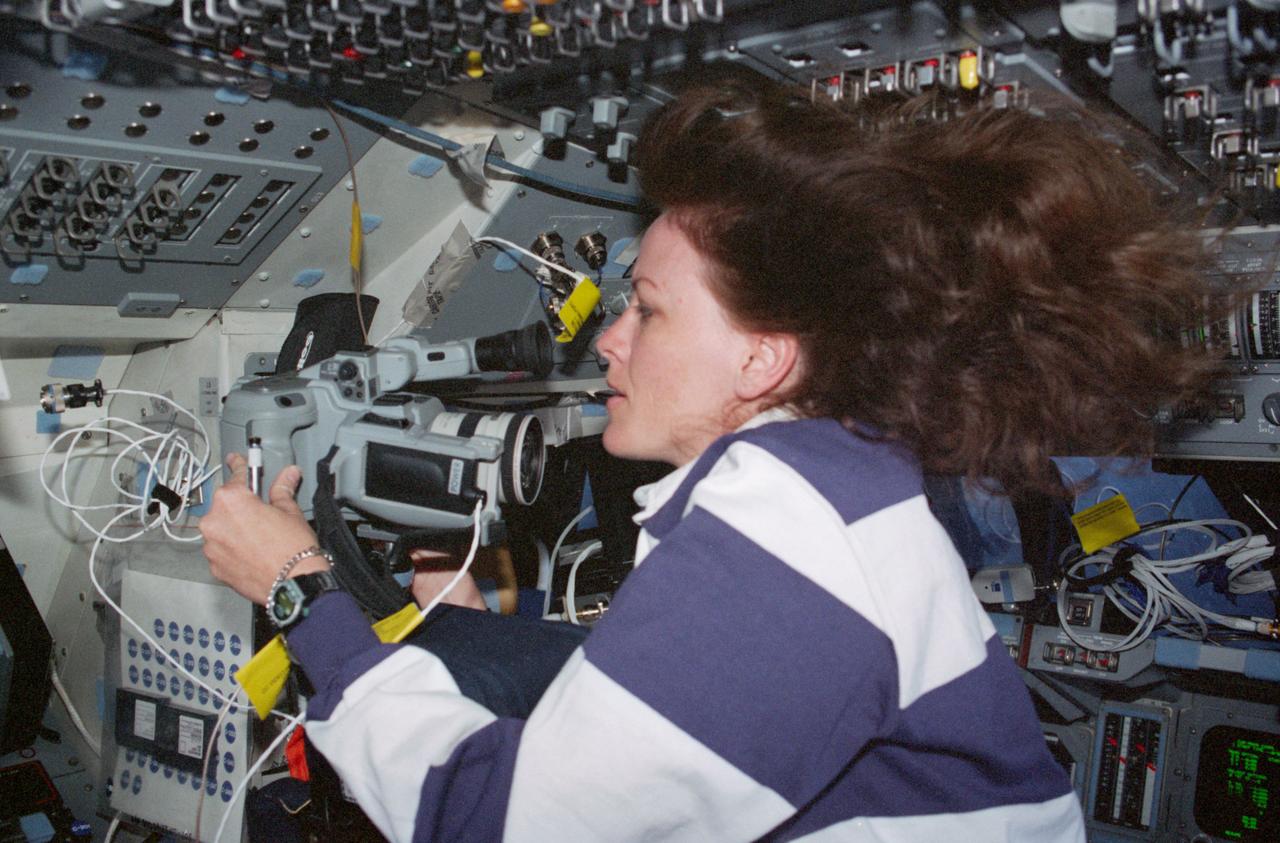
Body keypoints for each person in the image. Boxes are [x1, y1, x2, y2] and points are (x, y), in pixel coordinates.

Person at [201, 79, 1216, 841]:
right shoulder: (825, 478)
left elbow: (501, 826)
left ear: (760, 358)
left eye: (645, 310)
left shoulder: (791, 525)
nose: (607, 340)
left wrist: (299, 593)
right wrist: (460, 634)